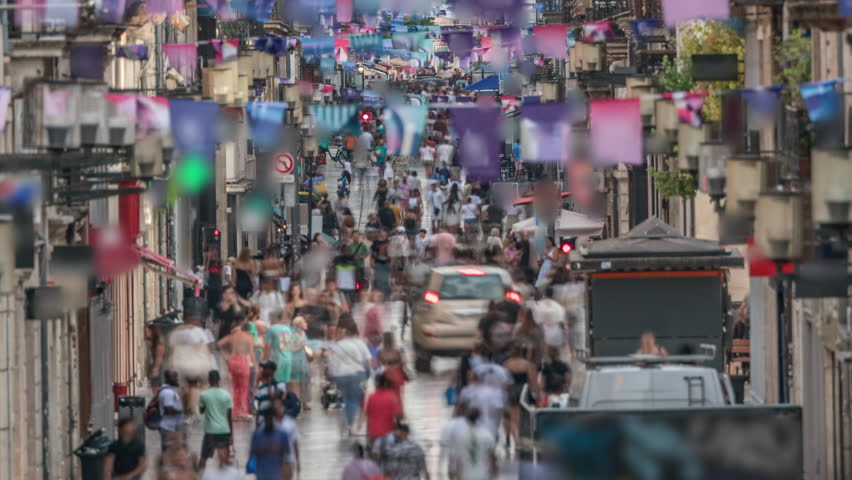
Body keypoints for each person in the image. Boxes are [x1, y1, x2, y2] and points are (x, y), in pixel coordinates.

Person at [328, 321, 372, 435]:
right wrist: (367, 374)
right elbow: (367, 360)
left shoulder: (338, 345)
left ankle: (345, 420)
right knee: (353, 400)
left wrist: (332, 376)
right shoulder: (360, 343)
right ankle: (350, 424)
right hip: (356, 374)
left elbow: (332, 363)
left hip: (340, 376)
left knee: (346, 398)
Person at [502, 343, 540, 449]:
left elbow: (504, 381)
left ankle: (513, 439)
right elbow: (533, 381)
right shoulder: (527, 364)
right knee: (522, 417)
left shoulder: (506, 364)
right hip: (523, 390)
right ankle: (520, 440)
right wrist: (537, 395)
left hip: (511, 391)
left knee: (511, 417)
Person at [217, 322, 254, 420]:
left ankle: (234, 412)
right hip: (243, 360)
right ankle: (243, 412)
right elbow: (251, 352)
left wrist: (226, 356)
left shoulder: (232, 336)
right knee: (244, 388)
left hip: (233, 361)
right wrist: (256, 365)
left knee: (234, 388)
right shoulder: (248, 337)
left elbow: (219, 344)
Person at [197, 370, 233, 471]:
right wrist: (231, 435)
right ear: (219, 380)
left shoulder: (204, 395)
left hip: (210, 431)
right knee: (224, 459)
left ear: (209, 380)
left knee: (203, 458)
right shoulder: (227, 395)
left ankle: (199, 477)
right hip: (224, 430)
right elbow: (229, 417)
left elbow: (201, 411)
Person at [448, 408, 497, 480]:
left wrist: (455, 475)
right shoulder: (486, 435)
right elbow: (492, 458)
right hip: (483, 475)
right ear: (480, 418)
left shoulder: (460, 436)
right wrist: (494, 474)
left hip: (465, 476)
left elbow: (456, 460)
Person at [249, 409, 291, 480]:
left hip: (277, 473)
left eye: (270, 419)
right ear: (264, 419)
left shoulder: (281, 434)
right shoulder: (257, 435)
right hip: (262, 473)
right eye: (267, 419)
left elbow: (287, 453)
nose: (269, 421)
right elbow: (252, 454)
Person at [365, 374, 403, 444]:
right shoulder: (391, 397)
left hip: (373, 434)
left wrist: (368, 434)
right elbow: (397, 415)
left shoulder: (371, 397)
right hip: (388, 434)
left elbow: (368, 415)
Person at [269, 395, 301, 479]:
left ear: (283, 407)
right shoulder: (268, 424)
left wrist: (298, 462)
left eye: (279, 405)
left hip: (288, 460)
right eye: (275, 405)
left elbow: (295, 443)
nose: (277, 408)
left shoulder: (290, 423)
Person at [264, 310, 296, 385]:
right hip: (288, 359)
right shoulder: (288, 329)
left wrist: (265, 361)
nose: (269, 320)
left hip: (277, 359)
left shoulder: (272, 328)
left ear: (274, 318)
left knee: (275, 383)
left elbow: (267, 346)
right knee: (285, 384)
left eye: (270, 318)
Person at [157, 369, 184, 452]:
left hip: (171, 427)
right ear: (169, 378)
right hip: (168, 428)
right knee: (168, 452)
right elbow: (168, 409)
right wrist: (182, 411)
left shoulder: (169, 390)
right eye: (175, 377)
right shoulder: (168, 392)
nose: (177, 379)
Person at [379, 332, 408, 404]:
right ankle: (398, 411)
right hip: (397, 374)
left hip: (386, 374)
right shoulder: (397, 350)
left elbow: (379, 363)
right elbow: (403, 362)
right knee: (398, 394)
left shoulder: (381, 351)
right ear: (392, 340)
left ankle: (390, 409)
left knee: (387, 394)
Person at [371, 229, 391, 297]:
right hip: (379, 263)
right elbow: (372, 253)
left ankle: (385, 295)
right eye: (381, 234)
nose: (382, 236)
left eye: (384, 234)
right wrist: (372, 261)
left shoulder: (389, 242)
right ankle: (380, 295)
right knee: (379, 280)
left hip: (387, 263)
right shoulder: (376, 242)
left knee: (386, 280)